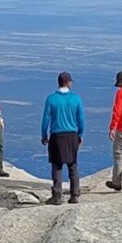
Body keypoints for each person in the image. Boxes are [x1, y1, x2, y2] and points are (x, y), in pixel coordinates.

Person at [41, 71, 85, 205]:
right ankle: (75, 195)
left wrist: (44, 135)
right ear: (68, 82)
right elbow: (81, 119)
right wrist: (80, 134)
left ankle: (57, 196)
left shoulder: (51, 99)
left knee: (57, 166)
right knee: (73, 165)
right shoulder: (76, 99)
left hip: (57, 136)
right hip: (72, 135)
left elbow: (45, 119)